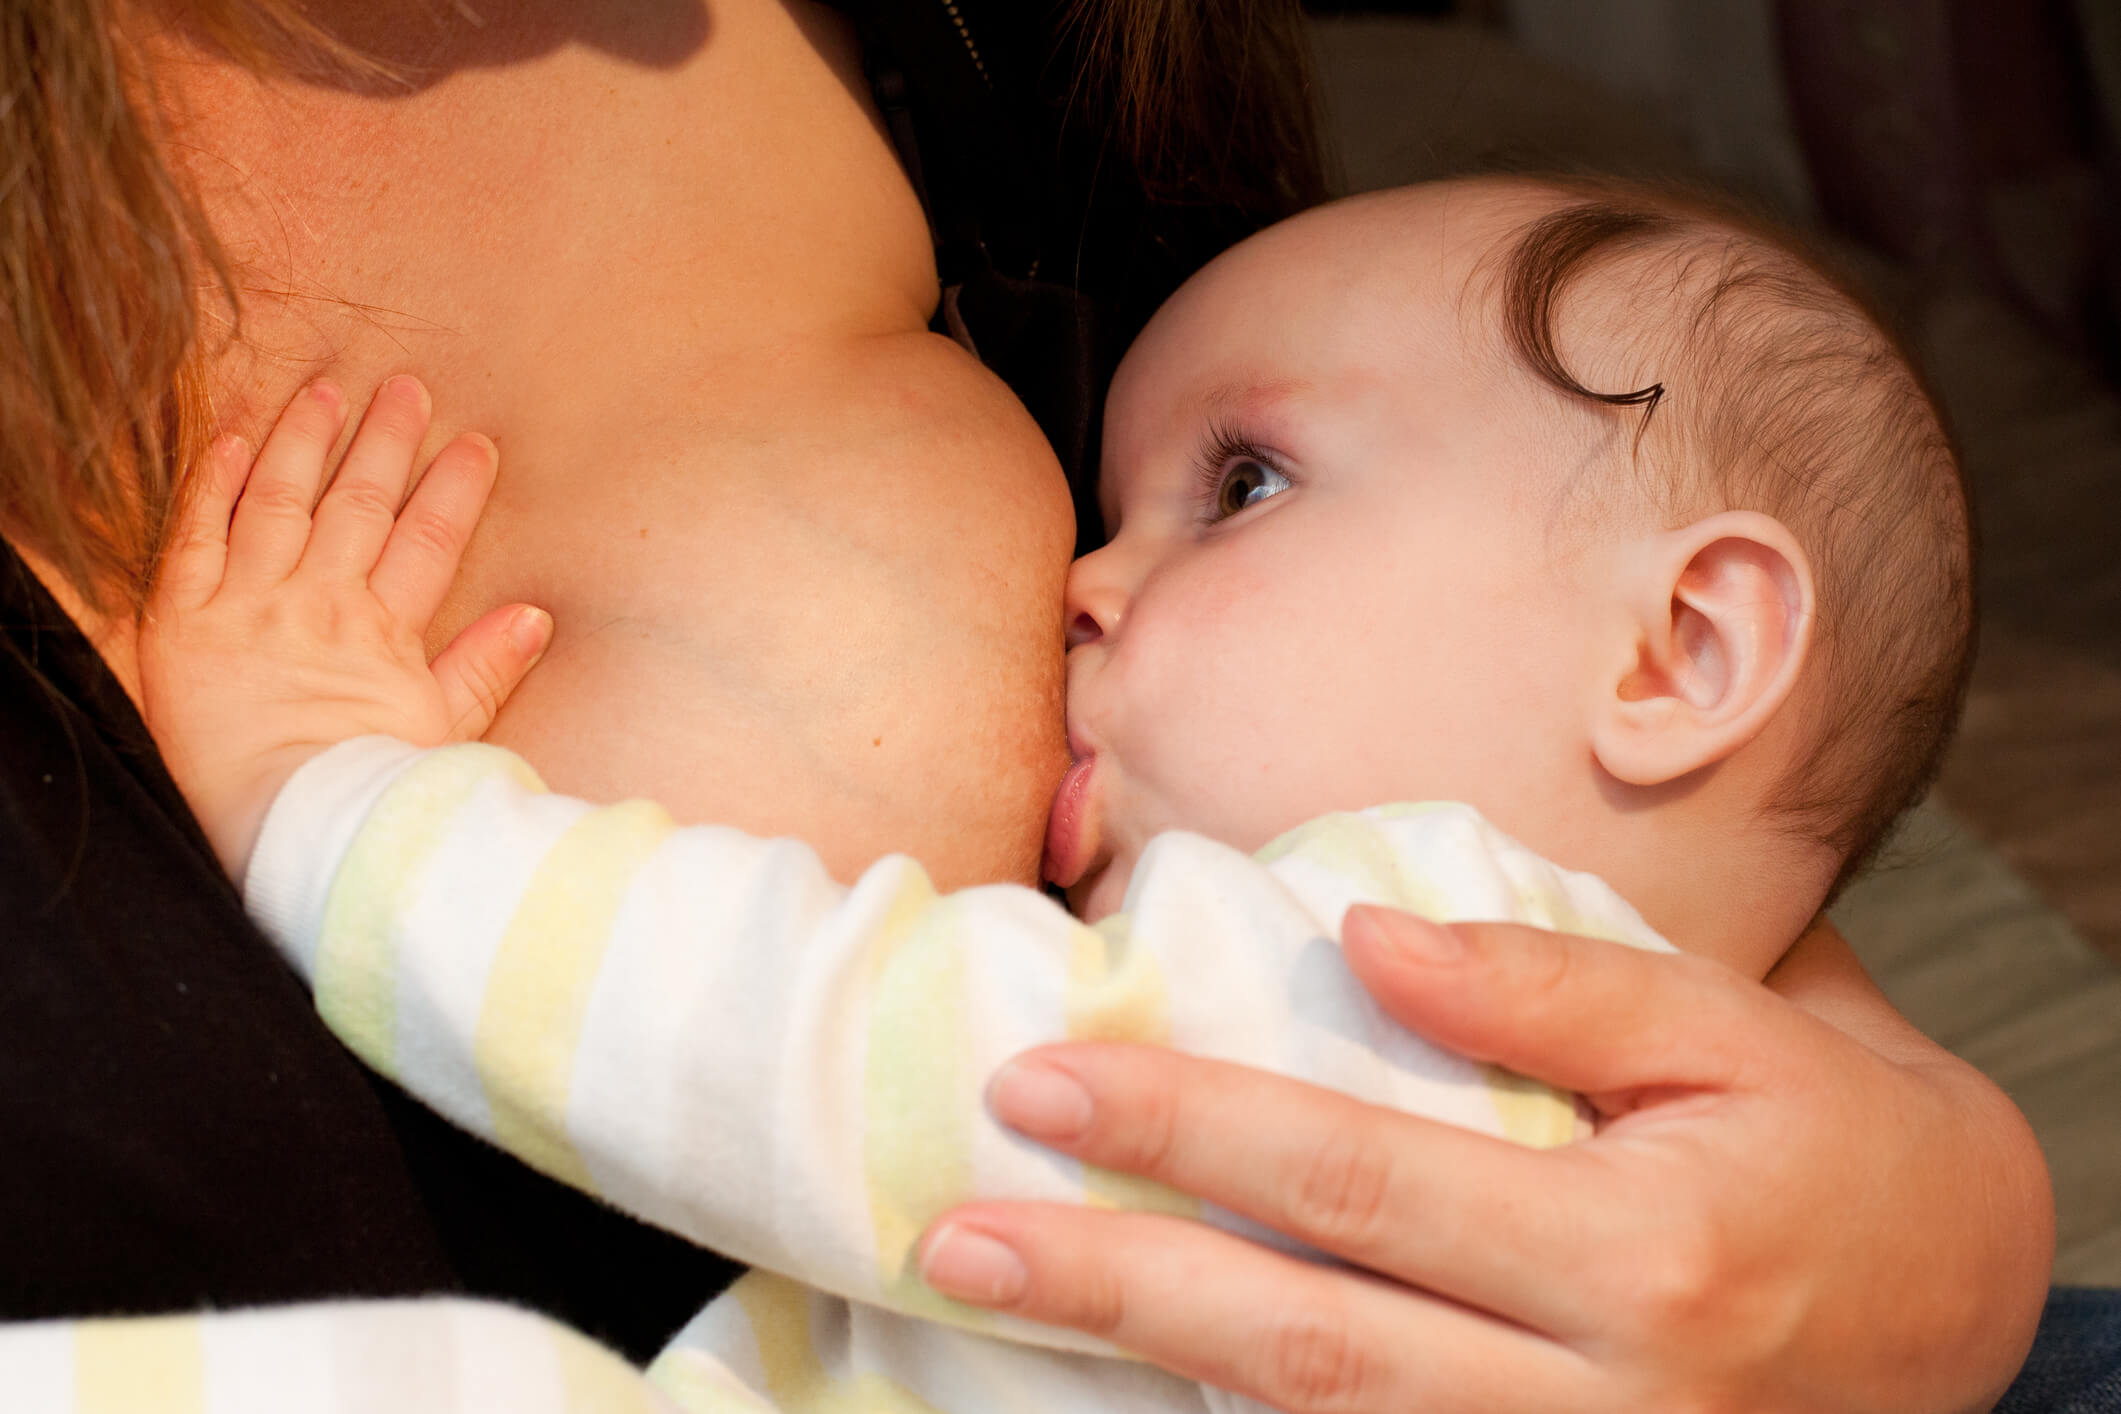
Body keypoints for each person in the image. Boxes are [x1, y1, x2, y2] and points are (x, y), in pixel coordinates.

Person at [0, 1, 2058, 1409]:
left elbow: (795, 1038)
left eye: (1237, 484)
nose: (1077, 567)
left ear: (1681, 653)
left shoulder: (1365, 978)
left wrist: (333, 804)